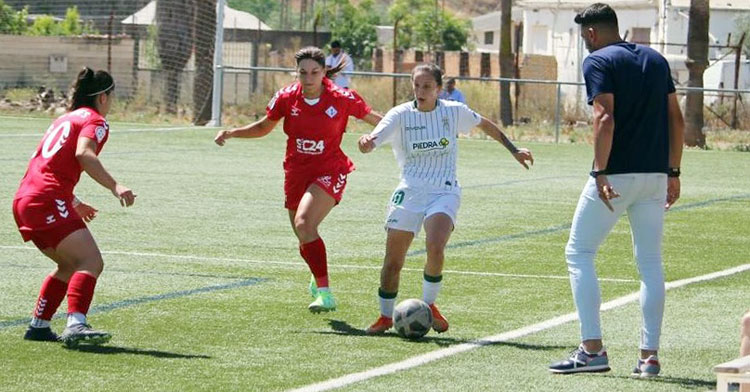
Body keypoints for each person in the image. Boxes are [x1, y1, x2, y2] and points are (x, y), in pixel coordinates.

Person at [548, 3, 684, 376]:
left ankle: (592, 350)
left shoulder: (598, 61)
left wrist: (601, 171)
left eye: (583, 37)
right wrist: (673, 171)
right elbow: (677, 118)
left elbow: (603, 117)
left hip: (617, 175)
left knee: (579, 251)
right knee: (651, 264)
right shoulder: (656, 60)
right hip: (655, 176)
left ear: (591, 33)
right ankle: (648, 357)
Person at [357, 63, 534, 335]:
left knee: (435, 245)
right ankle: (384, 316)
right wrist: (366, 143)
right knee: (393, 261)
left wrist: (514, 150)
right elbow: (374, 138)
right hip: (410, 190)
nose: (421, 91)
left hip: (444, 190)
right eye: (417, 85)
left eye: (427, 86)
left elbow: (486, 124)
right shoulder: (400, 115)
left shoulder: (453, 112)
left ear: (439, 89)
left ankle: (429, 305)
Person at [214, 47, 382, 313]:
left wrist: (400, 133)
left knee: (304, 223)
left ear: (324, 71)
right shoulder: (287, 97)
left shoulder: (341, 97)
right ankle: (318, 279)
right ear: (297, 73)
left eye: (314, 72)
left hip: (330, 169)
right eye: (303, 72)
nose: (308, 77)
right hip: (296, 172)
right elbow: (263, 127)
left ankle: (325, 294)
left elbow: (377, 120)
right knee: (303, 235)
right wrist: (232, 133)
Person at [13, 67, 136, 347]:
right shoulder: (95, 120)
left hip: (25, 199)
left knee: (68, 264)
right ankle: (76, 324)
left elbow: (49, 166)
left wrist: (74, 202)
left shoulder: (63, 119)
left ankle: (39, 326)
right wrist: (116, 186)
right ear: (103, 97)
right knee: (90, 262)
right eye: (112, 95)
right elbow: (83, 153)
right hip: (46, 199)